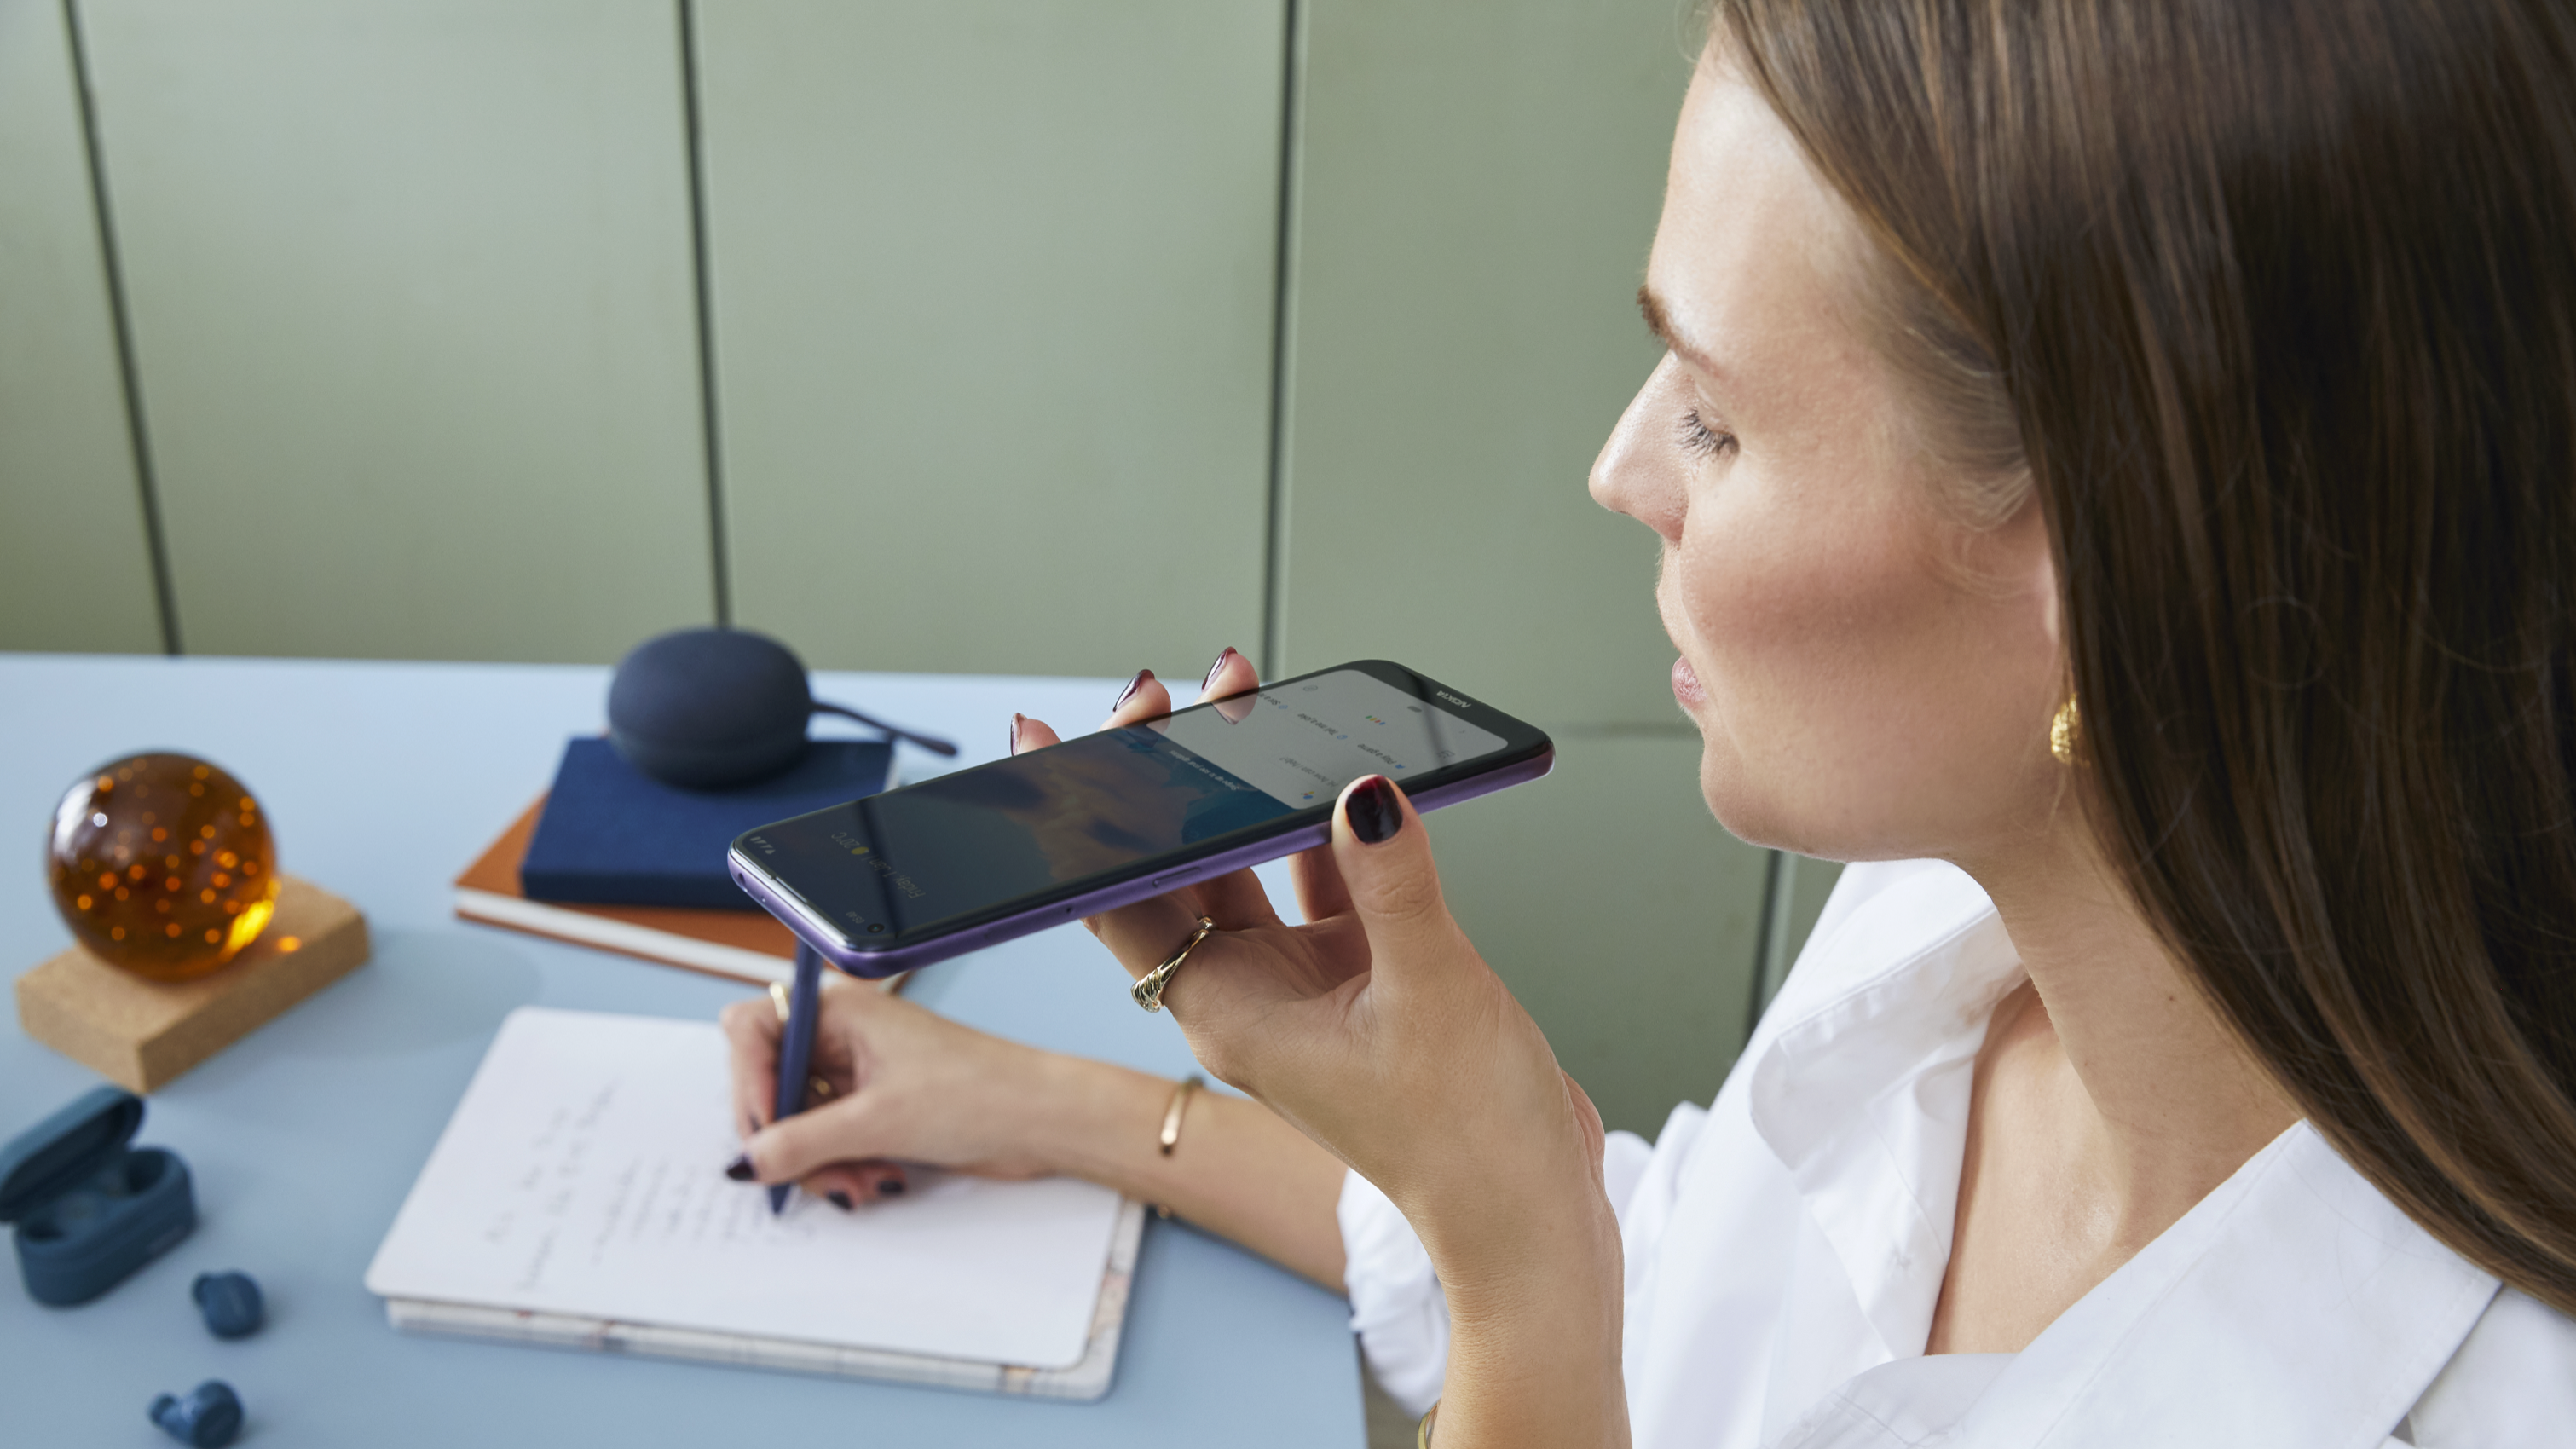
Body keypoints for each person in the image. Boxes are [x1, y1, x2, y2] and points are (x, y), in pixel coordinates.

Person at [721, 1, 2576, 1442]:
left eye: (1713, 417)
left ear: (2102, 559)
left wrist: (1518, 1286)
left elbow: (1571, 1297)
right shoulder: (1965, 901)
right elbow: (1672, 1287)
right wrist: (1052, 1105)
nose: (1620, 472)